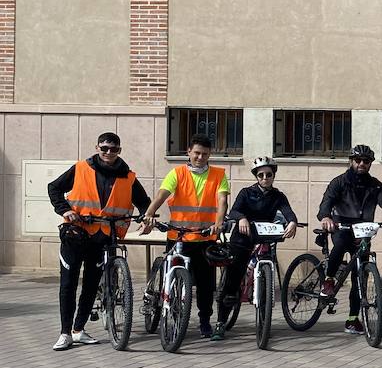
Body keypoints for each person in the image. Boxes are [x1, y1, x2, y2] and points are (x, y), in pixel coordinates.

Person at [47, 132, 152, 350]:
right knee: (68, 284)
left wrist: (146, 217)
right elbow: (54, 187)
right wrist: (65, 210)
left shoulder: (128, 176)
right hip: (76, 234)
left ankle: (78, 330)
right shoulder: (81, 168)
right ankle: (65, 333)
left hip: (103, 237)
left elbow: (144, 202)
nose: (108, 152)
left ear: (119, 151)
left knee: (91, 284)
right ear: (97, 148)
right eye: (104, 148)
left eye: (113, 149)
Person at [142, 134, 229, 339]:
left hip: (205, 237)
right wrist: (149, 214)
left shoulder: (219, 174)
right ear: (188, 152)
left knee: (206, 284)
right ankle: (169, 310)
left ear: (210, 155)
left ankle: (205, 320)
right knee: (172, 276)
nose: (200, 157)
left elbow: (222, 200)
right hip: (179, 236)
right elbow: (162, 195)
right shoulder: (177, 173)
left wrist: (219, 223)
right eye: (196, 153)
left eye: (205, 154)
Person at [317, 145, 382, 336]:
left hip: (362, 231)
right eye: (358, 160)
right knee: (340, 244)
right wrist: (326, 217)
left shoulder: (375, 185)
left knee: (359, 279)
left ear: (370, 163)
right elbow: (326, 202)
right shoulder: (339, 182)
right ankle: (329, 280)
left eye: (366, 161)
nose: (361, 164)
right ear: (351, 161)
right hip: (341, 226)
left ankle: (352, 319)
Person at [211, 156, 298, 340]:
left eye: (269, 175)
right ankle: (220, 322)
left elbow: (288, 211)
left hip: (264, 237)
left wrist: (292, 222)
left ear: (273, 175)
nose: (265, 178)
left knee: (268, 267)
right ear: (256, 177)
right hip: (242, 238)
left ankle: (264, 320)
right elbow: (234, 210)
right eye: (261, 175)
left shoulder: (278, 195)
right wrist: (241, 218)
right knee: (234, 276)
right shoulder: (246, 192)